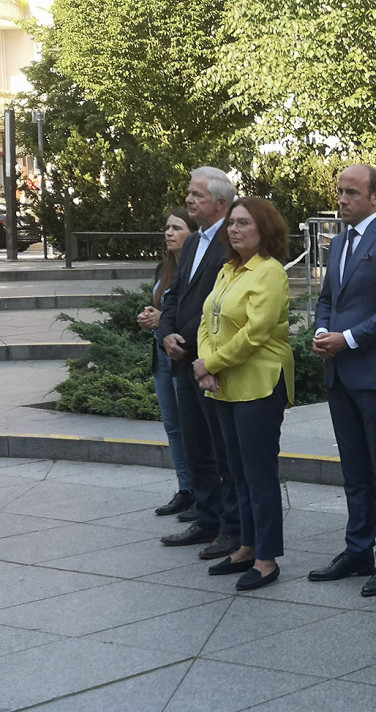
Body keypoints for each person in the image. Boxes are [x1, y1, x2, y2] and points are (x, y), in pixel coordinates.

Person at [307, 164, 376, 597]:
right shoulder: (338, 245)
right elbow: (328, 299)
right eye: (339, 192)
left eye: (352, 193)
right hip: (339, 373)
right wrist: (321, 331)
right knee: (353, 468)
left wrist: (347, 339)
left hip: (374, 372)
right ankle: (357, 550)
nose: (342, 199)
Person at [193, 197, 295, 592]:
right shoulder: (228, 270)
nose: (234, 230)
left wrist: (211, 364)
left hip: (258, 384)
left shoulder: (269, 272)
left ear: (263, 230)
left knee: (259, 474)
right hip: (225, 385)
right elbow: (208, 321)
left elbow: (256, 333)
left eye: (244, 224)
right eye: (231, 223)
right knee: (236, 473)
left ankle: (267, 559)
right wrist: (207, 363)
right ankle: (247, 545)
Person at [157, 167, 240, 560]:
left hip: (210, 361)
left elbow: (216, 306)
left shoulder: (232, 242)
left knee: (220, 446)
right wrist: (166, 333)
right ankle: (206, 518)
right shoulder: (192, 244)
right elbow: (175, 296)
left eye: (196, 195)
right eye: (189, 194)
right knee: (195, 444)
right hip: (182, 359)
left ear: (220, 203)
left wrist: (185, 340)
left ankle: (230, 526)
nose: (189, 200)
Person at [137, 209, 197, 520]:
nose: (169, 232)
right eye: (167, 227)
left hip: (183, 353)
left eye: (177, 227)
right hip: (161, 353)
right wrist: (150, 315)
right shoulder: (164, 268)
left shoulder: (197, 267)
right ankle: (185, 489)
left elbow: (194, 313)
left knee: (192, 426)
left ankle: (203, 492)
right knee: (173, 426)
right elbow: (164, 306)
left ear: (193, 233)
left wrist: (164, 320)